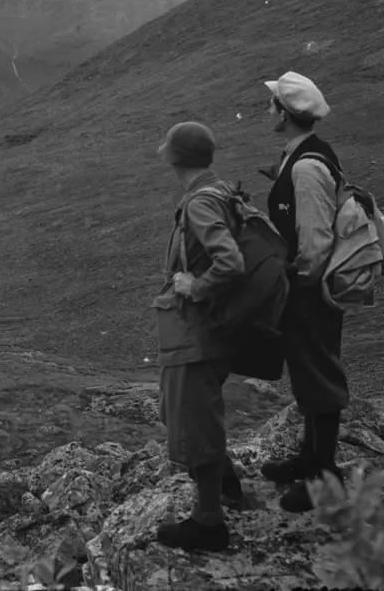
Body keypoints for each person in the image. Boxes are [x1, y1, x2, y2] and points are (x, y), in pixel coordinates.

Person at [151, 121, 246, 553]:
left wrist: (196, 287)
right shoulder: (218, 191)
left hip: (196, 332)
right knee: (181, 411)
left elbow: (230, 262)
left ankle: (208, 521)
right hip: (203, 333)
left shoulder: (199, 205)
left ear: (176, 158)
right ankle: (225, 480)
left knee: (194, 419)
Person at [258, 71, 349, 513]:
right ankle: (310, 458)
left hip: (311, 290)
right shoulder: (304, 155)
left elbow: (314, 241)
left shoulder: (308, 167)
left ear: (286, 113)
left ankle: (324, 475)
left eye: (272, 104)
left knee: (318, 374)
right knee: (309, 372)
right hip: (307, 288)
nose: (267, 110)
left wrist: (301, 284)